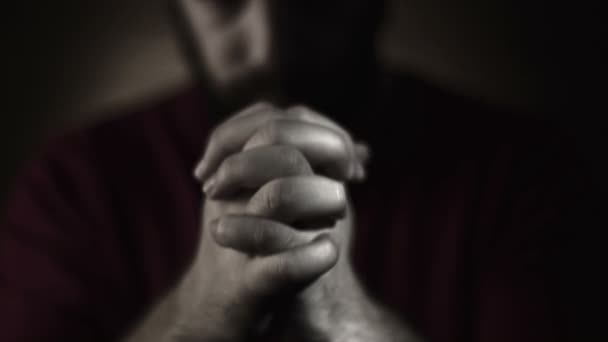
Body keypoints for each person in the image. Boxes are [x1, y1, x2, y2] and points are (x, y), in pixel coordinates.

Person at [0, 0, 593, 341]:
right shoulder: (74, 186)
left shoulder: (526, 175)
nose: (267, 49)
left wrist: (348, 321)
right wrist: (199, 314)